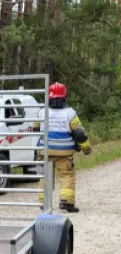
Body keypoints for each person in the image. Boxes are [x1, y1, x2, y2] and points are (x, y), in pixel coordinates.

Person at [37, 82, 91, 213]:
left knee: (45, 176)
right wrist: (86, 148)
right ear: (64, 96)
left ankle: (44, 202)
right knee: (66, 175)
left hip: (45, 151)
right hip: (64, 153)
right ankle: (66, 201)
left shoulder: (41, 112)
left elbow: (35, 130)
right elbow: (79, 133)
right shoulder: (70, 113)